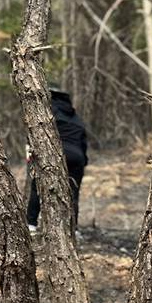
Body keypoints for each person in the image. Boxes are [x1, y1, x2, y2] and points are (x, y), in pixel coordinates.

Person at [26, 87, 88, 233]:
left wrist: (30, 155)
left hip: (55, 153)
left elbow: (35, 134)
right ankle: (73, 229)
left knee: (37, 188)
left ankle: (31, 224)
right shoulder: (76, 118)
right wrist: (83, 162)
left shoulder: (47, 113)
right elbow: (83, 144)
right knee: (73, 192)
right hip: (77, 157)